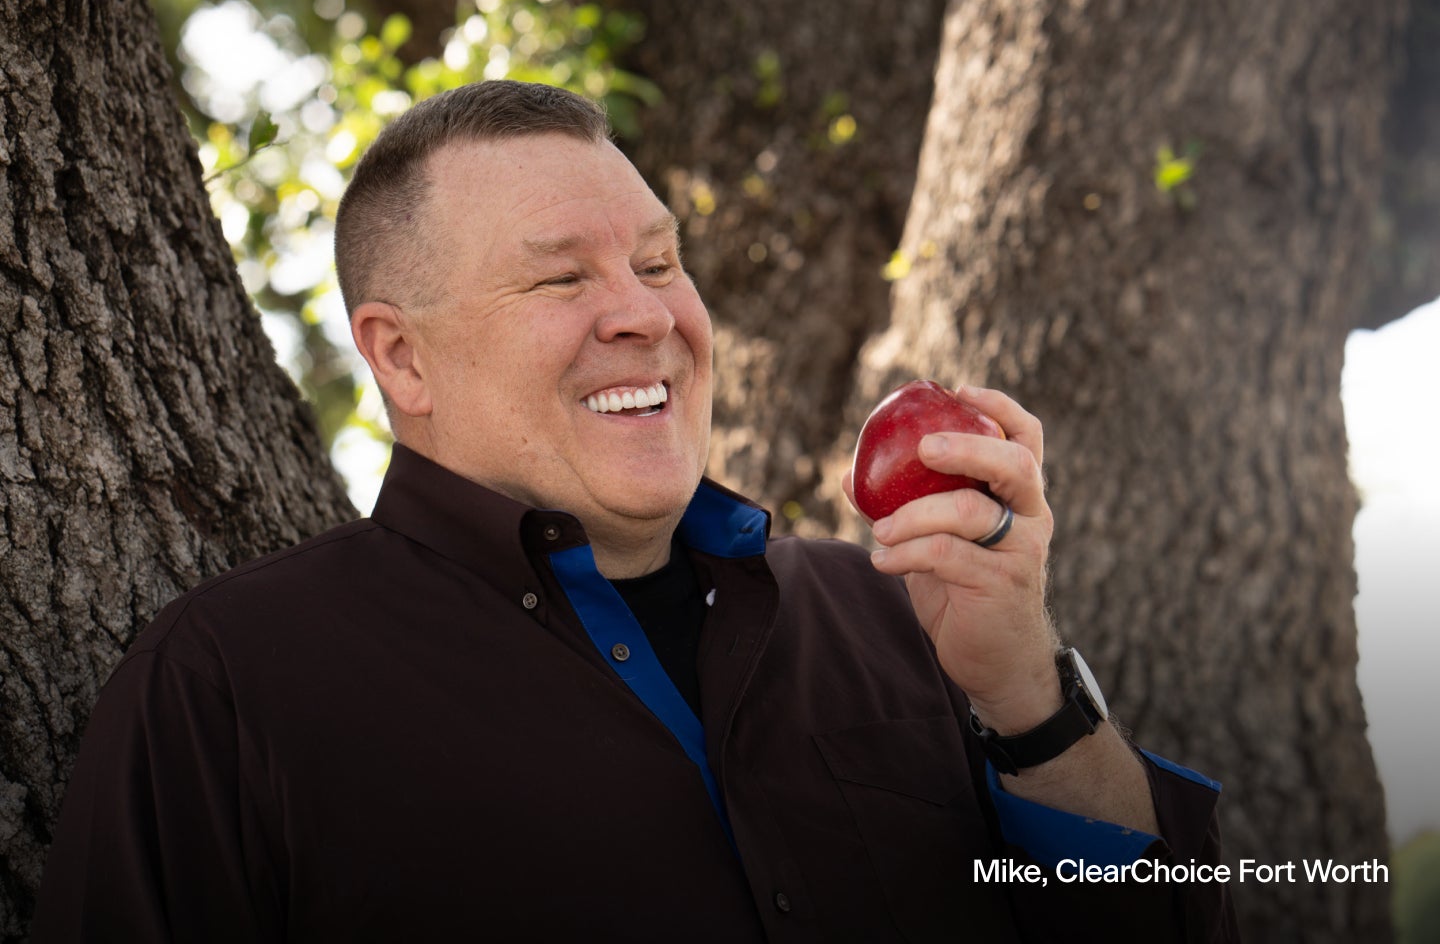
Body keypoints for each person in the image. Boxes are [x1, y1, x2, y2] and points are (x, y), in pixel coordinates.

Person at [33, 80, 1237, 942]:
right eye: (562, 277)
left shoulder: (898, 615)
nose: (646, 316)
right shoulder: (231, 687)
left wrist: (1026, 698)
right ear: (402, 361)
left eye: (659, 264)